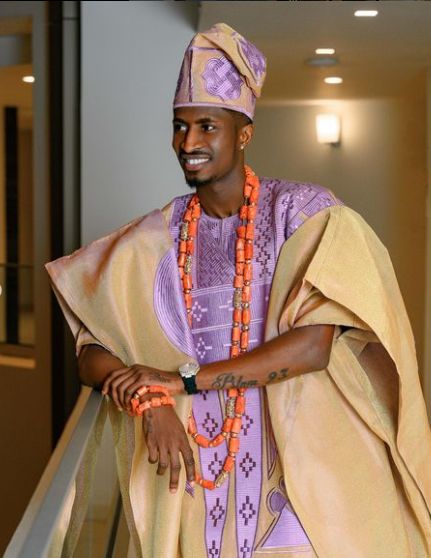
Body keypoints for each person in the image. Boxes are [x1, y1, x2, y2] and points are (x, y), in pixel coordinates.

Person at [45, 22, 431, 558]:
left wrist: (181, 381)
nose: (189, 143)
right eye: (180, 127)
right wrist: (151, 401)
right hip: (197, 479)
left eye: (207, 126)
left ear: (243, 134)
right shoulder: (156, 237)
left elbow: (313, 347)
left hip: (303, 478)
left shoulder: (303, 214)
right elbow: (91, 351)